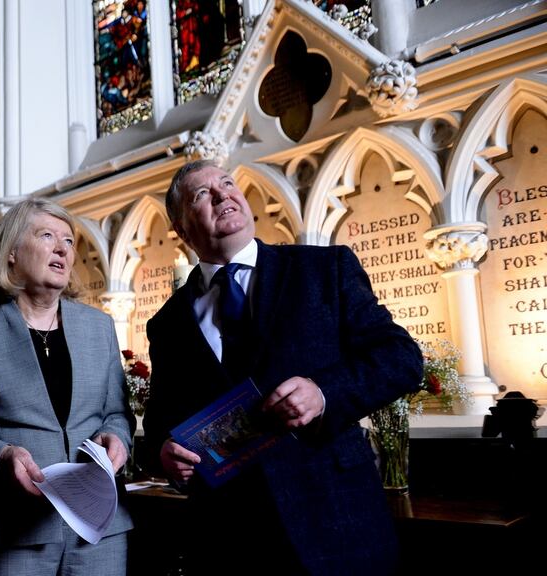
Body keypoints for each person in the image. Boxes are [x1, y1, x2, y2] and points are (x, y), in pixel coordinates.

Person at [142, 160, 423, 575]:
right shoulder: (167, 322)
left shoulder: (324, 269)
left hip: (334, 514)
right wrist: (164, 453)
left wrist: (324, 393)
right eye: (202, 194)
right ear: (181, 230)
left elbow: (402, 358)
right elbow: (160, 422)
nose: (223, 195)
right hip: (230, 533)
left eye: (227, 184)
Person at [0, 198, 134, 576]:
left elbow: (116, 414)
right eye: (47, 236)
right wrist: (0, 456)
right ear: (11, 253)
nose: (62, 248)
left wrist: (117, 437)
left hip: (99, 535)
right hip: (9, 535)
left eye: (69, 241)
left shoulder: (99, 328)